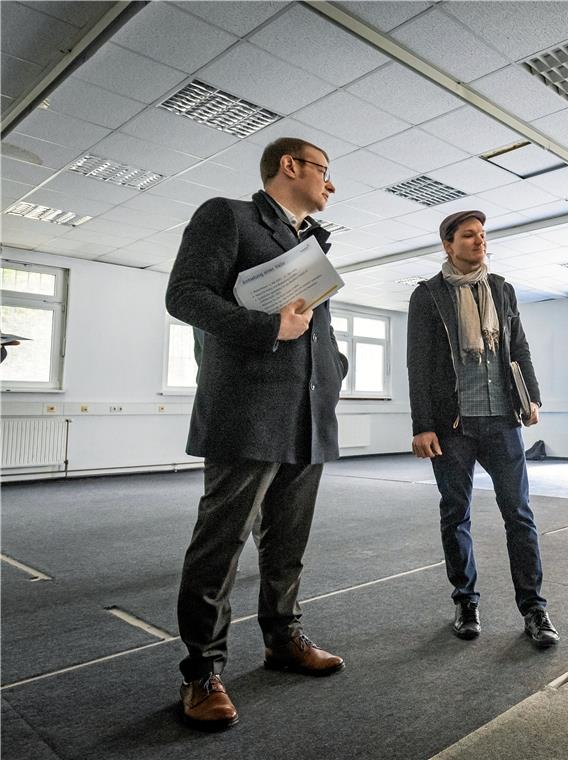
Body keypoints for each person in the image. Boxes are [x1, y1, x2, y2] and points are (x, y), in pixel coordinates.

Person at [166, 137, 348, 729]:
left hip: (307, 412)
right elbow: (185, 296)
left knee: (287, 543)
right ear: (290, 166)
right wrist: (269, 328)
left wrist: (334, 367)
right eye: (325, 171)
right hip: (247, 410)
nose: (331, 184)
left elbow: (312, 324)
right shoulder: (229, 216)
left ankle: (282, 638)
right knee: (222, 544)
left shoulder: (310, 240)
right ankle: (201, 671)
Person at [407, 209, 559, 648]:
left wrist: (530, 396)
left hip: (501, 421)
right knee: (455, 514)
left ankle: (534, 608)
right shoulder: (428, 296)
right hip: (452, 426)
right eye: (469, 235)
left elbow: (519, 346)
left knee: (520, 515)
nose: (480, 242)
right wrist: (422, 425)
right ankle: (465, 601)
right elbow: (417, 364)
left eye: (483, 235)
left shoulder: (501, 290)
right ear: (447, 245)